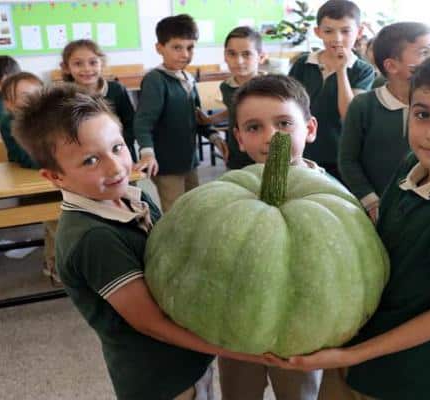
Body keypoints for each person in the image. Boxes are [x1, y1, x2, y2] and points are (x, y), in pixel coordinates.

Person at [269, 43, 430, 400]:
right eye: (422, 114)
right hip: (361, 345)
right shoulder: (412, 165)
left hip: (412, 376)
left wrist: (353, 354)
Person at [12, 84, 264, 400]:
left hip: (188, 358)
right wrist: (237, 351)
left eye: (117, 147)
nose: (115, 166)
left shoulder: (135, 196)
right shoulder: (94, 239)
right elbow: (151, 323)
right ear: (55, 177)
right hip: (160, 379)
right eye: (90, 160)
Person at [220, 74, 323, 400]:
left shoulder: (332, 198)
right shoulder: (226, 196)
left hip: (302, 331)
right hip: (237, 326)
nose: (271, 137)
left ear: (309, 128)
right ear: (239, 138)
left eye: (283, 124)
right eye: (254, 127)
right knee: (239, 393)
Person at [339, 22, 430, 222]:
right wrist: (371, 202)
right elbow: (347, 160)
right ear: (391, 66)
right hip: (371, 209)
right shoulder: (364, 105)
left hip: (422, 209)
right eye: (425, 52)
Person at [133, 14, 228, 212]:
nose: (185, 54)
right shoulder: (155, 80)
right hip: (166, 165)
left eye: (190, 47)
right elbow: (143, 122)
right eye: (177, 47)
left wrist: (215, 138)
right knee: (175, 213)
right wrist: (147, 153)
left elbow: (197, 117)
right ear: (159, 48)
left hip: (188, 160)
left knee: (194, 207)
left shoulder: (188, 78)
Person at [288, 0, 375, 179]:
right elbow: (288, 105)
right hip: (301, 152)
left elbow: (349, 115)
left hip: (341, 155)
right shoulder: (303, 64)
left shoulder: (362, 70)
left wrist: (341, 71)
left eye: (345, 31)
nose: (337, 38)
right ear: (317, 32)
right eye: (328, 31)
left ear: (359, 32)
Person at [0, 72, 61, 283]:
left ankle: (51, 263)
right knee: (57, 222)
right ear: (9, 104)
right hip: (31, 180)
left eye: (37, 93)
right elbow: (25, 157)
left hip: (54, 176)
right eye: (25, 96)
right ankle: (59, 266)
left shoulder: (48, 117)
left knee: (56, 221)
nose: (33, 99)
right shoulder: (10, 122)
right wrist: (58, 163)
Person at [198, 26, 267, 170]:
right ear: (225, 56)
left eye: (246, 54)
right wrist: (211, 120)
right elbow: (233, 110)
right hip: (236, 153)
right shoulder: (226, 87)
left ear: (261, 57)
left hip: (266, 155)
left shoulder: (272, 87)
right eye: (232, 54)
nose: (239, 61)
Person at [60, 39, 138, 162]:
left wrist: (117, 146)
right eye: (78, 64)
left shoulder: (116, 89)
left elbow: (131, 124)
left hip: (120, 154)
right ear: (66, 67)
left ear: (102, 63)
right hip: (86, 159)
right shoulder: (64, 96)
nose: (87, 69)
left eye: (93, 62)